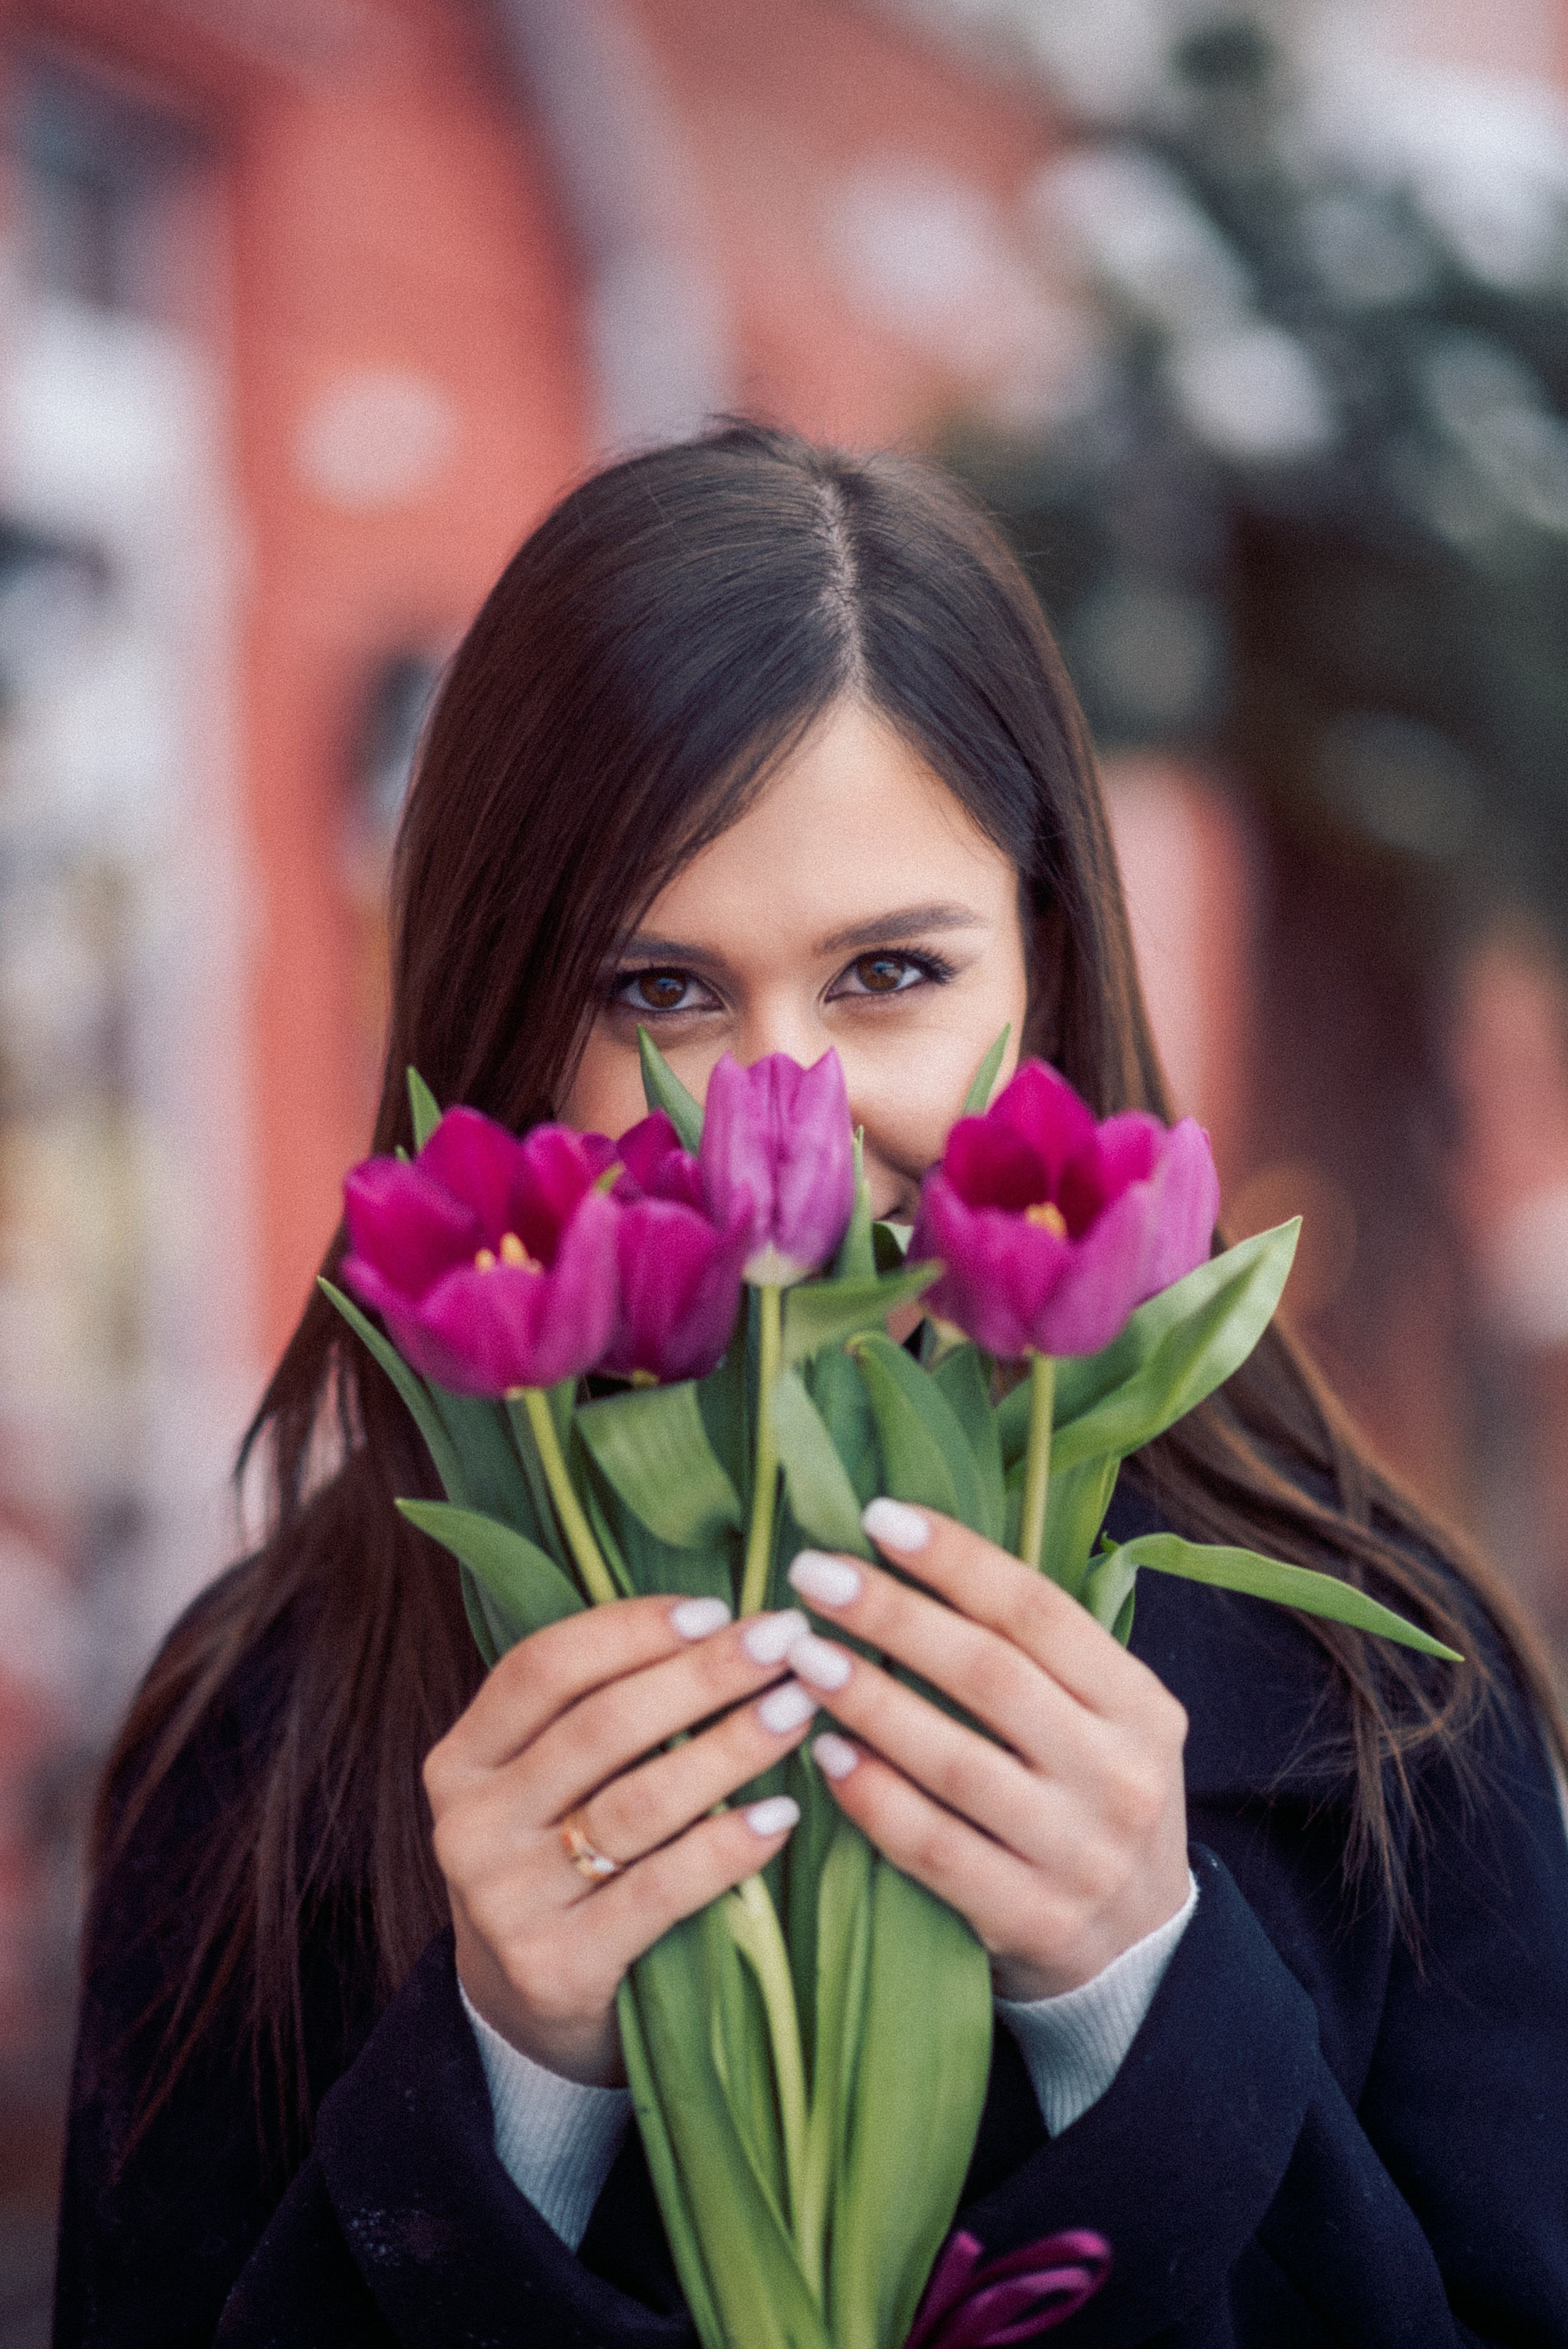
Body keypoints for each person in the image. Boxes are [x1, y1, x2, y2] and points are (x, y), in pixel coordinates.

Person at [53, 424, 1568, 2347]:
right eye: (657, 992)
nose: (787, 1121)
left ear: (1048, 959)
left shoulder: (1385, 1693)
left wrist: (1140, 1988)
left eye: (888, 974)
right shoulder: (264, 1736)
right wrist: (508, 2082)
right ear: (496, 1012)